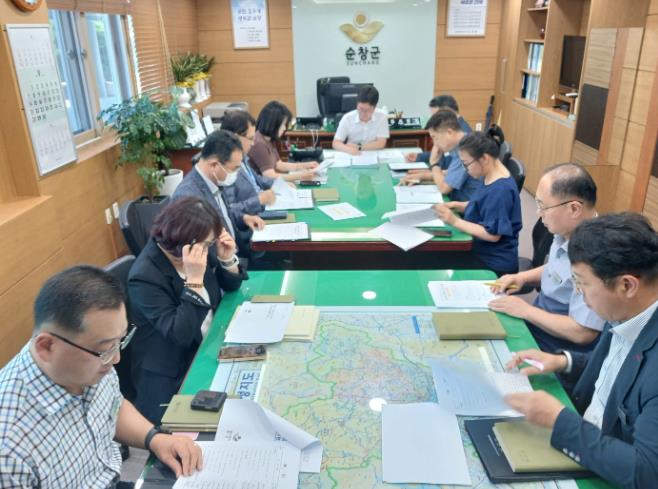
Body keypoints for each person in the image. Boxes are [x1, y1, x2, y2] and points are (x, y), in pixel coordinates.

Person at [0, 266, 202, 488]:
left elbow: (113, 406)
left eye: (120, 341)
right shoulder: (9, 448)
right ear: (47, 346)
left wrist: (156, 439)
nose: (116, 358)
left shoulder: (87, 359)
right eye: (106, 348)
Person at [505, 212, 658, 489]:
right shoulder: (627, 309)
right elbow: (617, 369)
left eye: (582, 283)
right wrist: (562, 361)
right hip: (586, 431)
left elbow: (646, 473)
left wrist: (559, 422)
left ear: (627, 285)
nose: (578, 293)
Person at [129, 197, 247, 423]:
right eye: (207, 244)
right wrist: (194, 280)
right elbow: (180, 334)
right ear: (183, 242)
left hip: (210, 343)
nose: (208, 248)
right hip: (173, 370)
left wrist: (226, 259)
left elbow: (231, 287)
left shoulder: (198, 247)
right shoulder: (144, 276)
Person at [489, 163, 605, 355]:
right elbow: (555, 268)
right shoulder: (566, 231)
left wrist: (526, 311)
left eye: (543, 206)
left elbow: (583, 333)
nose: (538, 213)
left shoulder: (597, 256)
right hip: (536, 323)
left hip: (555, 347)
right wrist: (521, 278)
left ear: (574, 209)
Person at [434, 127, 521, 276]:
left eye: (466, 164)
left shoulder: (500, 190)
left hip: (493, 264)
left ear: (484, 159)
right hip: (480, 250)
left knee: (435, 260)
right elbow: (484, 206)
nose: (465, 169)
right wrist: (458, 206)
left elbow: (492, 235)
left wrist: (454, 221)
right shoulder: (488, 174)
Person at [172, 129, 265, 260]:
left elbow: (223, 214)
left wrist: (243, 218)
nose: (236, 174)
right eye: (235, 169)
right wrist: (231, 264)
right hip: (223, 264)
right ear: (215, 165)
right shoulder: (188, 198)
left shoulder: (214, 180)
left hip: (240, 252)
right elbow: (198, 253)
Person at [400, 109, 482, 202]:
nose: (435, 143)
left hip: (469, 207)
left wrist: (434, 164)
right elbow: (449, 174)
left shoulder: (466, 149)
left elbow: (444, 188)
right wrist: (421, 176)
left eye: (435, 137)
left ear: (449, 132)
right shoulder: (465, 141)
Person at [221, 110, 276, 216]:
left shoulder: (243, 157)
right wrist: (259, 200)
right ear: (235, 138)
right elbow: (229, 211)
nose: (253, 143)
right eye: (250, 139)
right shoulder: (225, 167)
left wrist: (280, 184)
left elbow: (258, 180)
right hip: (252, 217)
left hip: (263, 208)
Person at [248, 101, 318, 182]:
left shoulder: (269, 139)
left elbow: (278, 164)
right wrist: (300, 176)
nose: (284, 128)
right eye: (283, 124)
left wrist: (306, 165)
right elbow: (269, 176)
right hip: (262, 187)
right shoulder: (259, 143)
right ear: (273, 123)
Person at [405, 94, 472, 163]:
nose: (434, 119)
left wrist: (433, 165)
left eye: (436, 115)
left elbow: (448, 161)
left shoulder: (463, 136)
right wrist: (421, 156)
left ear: (446, 112)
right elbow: (444, 155)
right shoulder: (456, 127)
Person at [332, 85, 389, 155]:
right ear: (357, 105)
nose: (363, 113)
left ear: (374, 107)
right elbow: (336, 143)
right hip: (352, 155)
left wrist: (358, 147)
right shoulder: (348, 118)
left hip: (373, 155)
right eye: (361, 109)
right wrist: (349, 149)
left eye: (367, 110)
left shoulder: (382, 117)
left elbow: (381, 143)